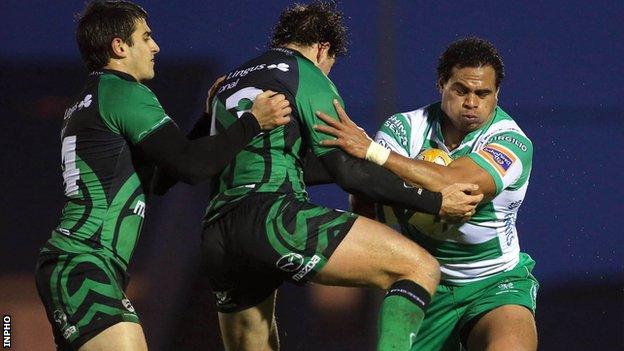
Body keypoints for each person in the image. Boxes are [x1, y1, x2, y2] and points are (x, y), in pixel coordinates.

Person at [158, 2, 481, 350]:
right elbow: (348, 173)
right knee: (419, 268)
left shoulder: (228, 84)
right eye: (330, 66)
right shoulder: (304, 75)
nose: (328, 73)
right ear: (323, 48)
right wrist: (434, 201)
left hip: (219, 235)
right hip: (274, 218)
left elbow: (252, 160)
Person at [33, 1, 292, 350]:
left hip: (76, 263)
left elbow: (160, 177)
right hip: (83, 264)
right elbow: (191, 167)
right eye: (146, 37)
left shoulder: (89, 99)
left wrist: (205, 122)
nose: (155, 47)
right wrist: (252, 122)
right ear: (119, 46)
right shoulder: (124, 92)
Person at [315, 37, 539, 351]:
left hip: (494, 282)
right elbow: (366, 194)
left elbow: (457, 180)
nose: (472, 103)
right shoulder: (404, 129)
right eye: (461, 90)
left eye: (483, 93)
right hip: (423, 283)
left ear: (497, 93)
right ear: (441, 84)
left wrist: (373, 152)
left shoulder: (510, 141)